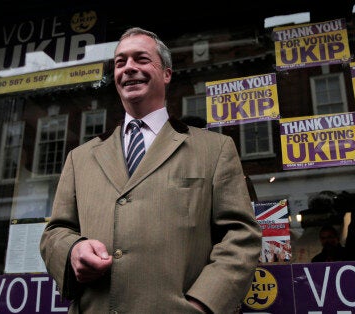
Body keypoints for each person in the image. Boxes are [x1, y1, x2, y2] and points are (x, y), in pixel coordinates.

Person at [39, 27, 262, 313]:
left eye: (141, 59)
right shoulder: (79, 158)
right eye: (120, 62)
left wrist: (204, 304)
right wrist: (72, 251)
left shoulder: (214, 149)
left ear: (166, 73)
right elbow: (56, 231)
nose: (129, 68)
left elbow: (241, 236)